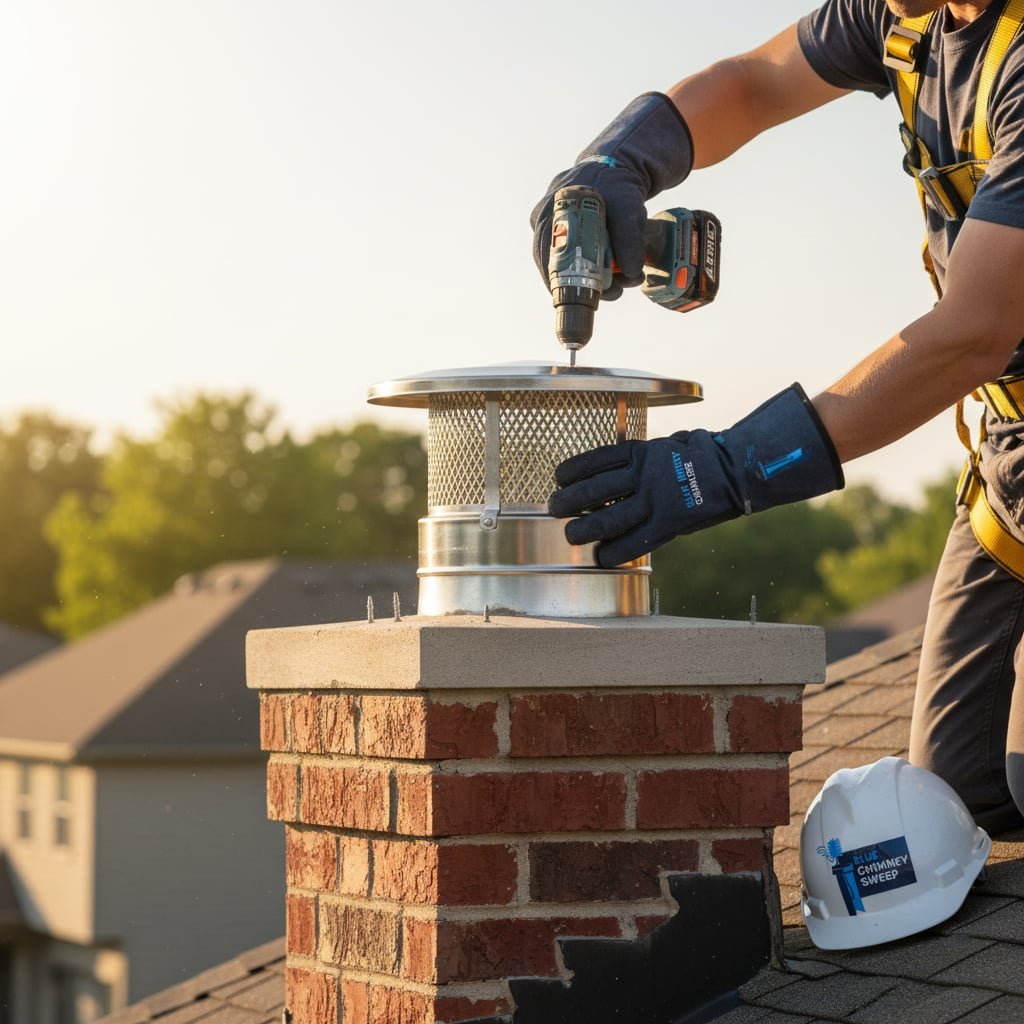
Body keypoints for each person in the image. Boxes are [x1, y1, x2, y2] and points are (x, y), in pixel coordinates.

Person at [531, 0, 1024, 835]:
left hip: (989, 373)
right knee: (953, 798)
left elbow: (971, 336)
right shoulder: (907, 14)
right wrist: (616, 159)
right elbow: (756, 84)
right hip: (1010, 462)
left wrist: (726, 470)